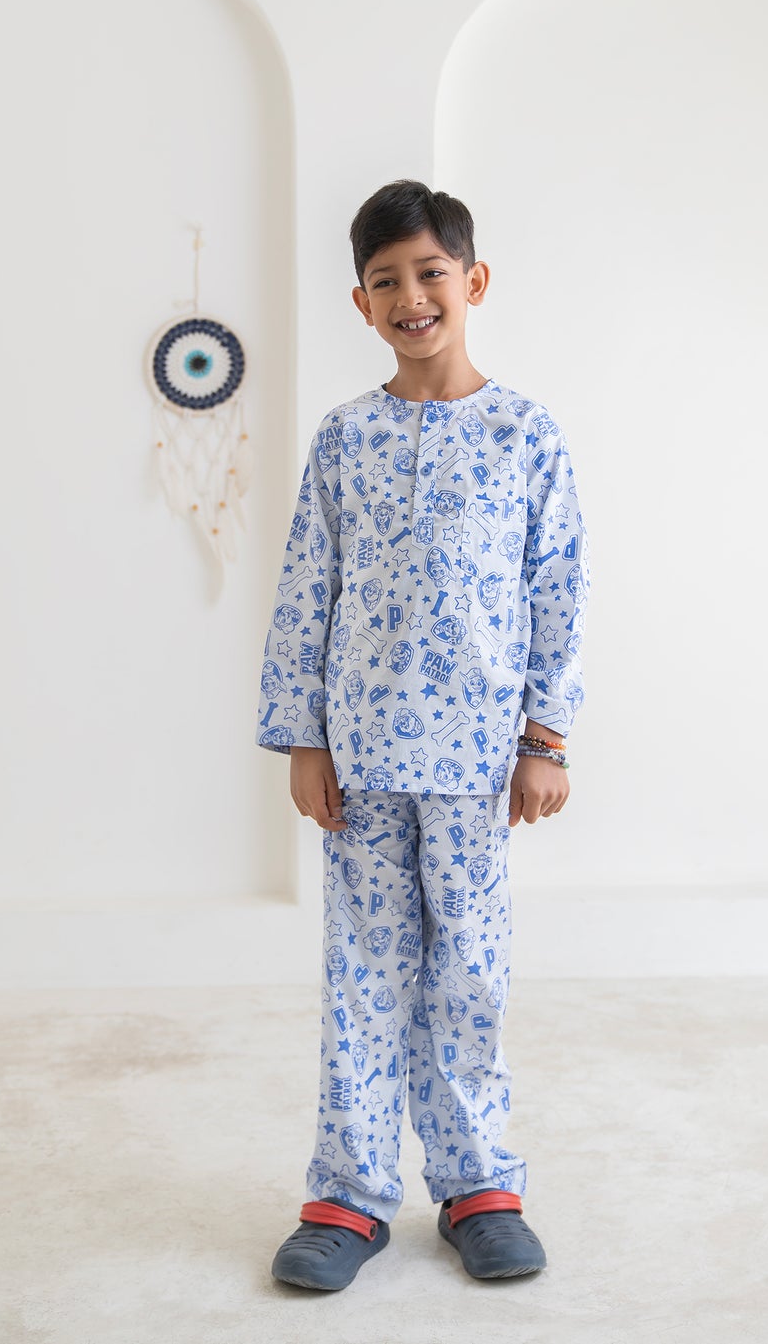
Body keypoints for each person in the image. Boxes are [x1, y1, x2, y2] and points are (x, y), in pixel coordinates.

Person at [255, 177, 591, 1291]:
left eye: (430, 273)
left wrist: (545, 738)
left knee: (469, 975)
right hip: (360, 761)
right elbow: (307, 587)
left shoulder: (526, 433)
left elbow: (559, 588)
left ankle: (479, 1183)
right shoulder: (344, 437)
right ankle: (348, 1197)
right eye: (385, 280)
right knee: (362, 974)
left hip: (477, 765)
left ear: (473, 280)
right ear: (361, 303)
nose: (411, 296)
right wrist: (303, 736)